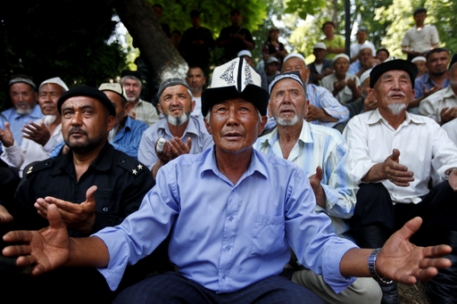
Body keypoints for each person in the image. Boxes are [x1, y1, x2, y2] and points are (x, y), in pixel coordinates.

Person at [2, 57, 453, 304]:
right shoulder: (178, 174)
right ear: (209, 119)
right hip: (188, 285)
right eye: (222, 109)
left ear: (261, 122)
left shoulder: (288, 179)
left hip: (263, 288)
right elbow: (133, 238)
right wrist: (73, 249)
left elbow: (318, 246)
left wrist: (374, 260)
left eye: (244, 110)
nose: (233, 119)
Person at [1, 86, 155, 303]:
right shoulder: (39, 174)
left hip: (105, 290)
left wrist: (94, 223)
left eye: (87, 112)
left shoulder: (134, 177)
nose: (75, 121)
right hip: (41, 283)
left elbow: (145, 245)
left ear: (110, 122)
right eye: (68, 113)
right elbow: (19, 232)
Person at [255, 71, 381, 303]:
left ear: (306, 105)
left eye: (294, 93)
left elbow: (349, 205)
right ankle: (286, 280)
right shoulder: (257, 149)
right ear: (270, 109)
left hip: (321, 243)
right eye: (279, 95)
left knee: (369, 294)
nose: (286, 100)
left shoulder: (331, 140)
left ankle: (292, 280)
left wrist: (320, 194)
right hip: (272, 247)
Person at [343, 59, 457, 303]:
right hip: (376, 216)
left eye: (404, 81)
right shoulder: (358, 124)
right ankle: (385, 285)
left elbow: (448, 156)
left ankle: (445, 284)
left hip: (419, 214)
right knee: (372, 190)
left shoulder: (428, 126)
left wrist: (453, 172)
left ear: (413, 93)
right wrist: (381, 170)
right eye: (388, 80)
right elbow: (353, 167)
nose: (397, 86)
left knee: (453, 189)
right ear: (372, 92)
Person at [138, 78, 212, 178]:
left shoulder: (207, 132)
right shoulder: (149, 136)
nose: (175, 103)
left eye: (181, 96)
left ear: (192, 106)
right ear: (160, 109)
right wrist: (162, 161)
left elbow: (211, 176)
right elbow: (146, 179)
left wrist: (186, 161)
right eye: (168, 98)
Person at [0, 77, 67, 176]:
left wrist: (48, 142)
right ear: (38, 99)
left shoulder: (72, 128)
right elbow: (18, 163)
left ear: (65, 99)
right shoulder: (34, 124)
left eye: (53, 95)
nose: (47, 100)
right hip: (24, 182)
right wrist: (9, 145)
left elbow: (70, 162)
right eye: (43, 95)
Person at [281, 53, 349, 129]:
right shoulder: (277, 96)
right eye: (288, 70)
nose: (294, 73)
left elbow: (344, 112)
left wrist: (320, 113)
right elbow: (267, 120)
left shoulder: (318, 92)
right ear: (281, 75)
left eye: (298, 68)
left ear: (307, 73)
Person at [99, 83, 148, 159]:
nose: (105, 112)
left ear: (126, 109)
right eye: (100, 106)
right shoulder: (89, 127)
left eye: (111, 106)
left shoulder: (140, 128)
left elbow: (139, 155)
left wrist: (103, 145)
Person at [0, 75, 42, 148]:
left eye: (25, 94)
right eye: (15, 94)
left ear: (35, 96)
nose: (20, 99)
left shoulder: (47, 114)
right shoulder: (3, 118)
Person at [409, 48, 450, 112]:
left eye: (443, 59)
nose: (439, 63)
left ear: (448, 61)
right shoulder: (417, 82)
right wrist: (425, 98)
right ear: (426, 65)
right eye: (434, 60)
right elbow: (406, 105)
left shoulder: (454, 80)